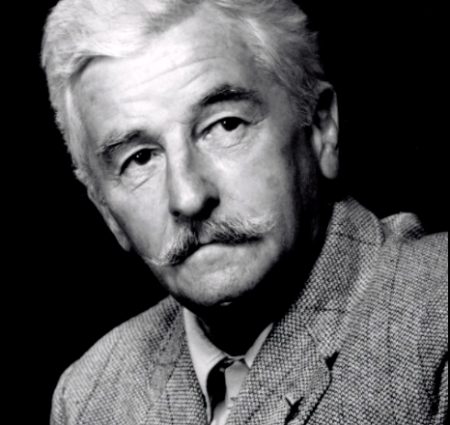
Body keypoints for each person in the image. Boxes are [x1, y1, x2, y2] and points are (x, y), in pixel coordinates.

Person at [42, 0, 448, 424]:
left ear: (321, 127)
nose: (188, 197)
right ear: (106, 211)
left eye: (225, 125)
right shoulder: (87, 399)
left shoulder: (437, 315)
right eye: (140, 159)